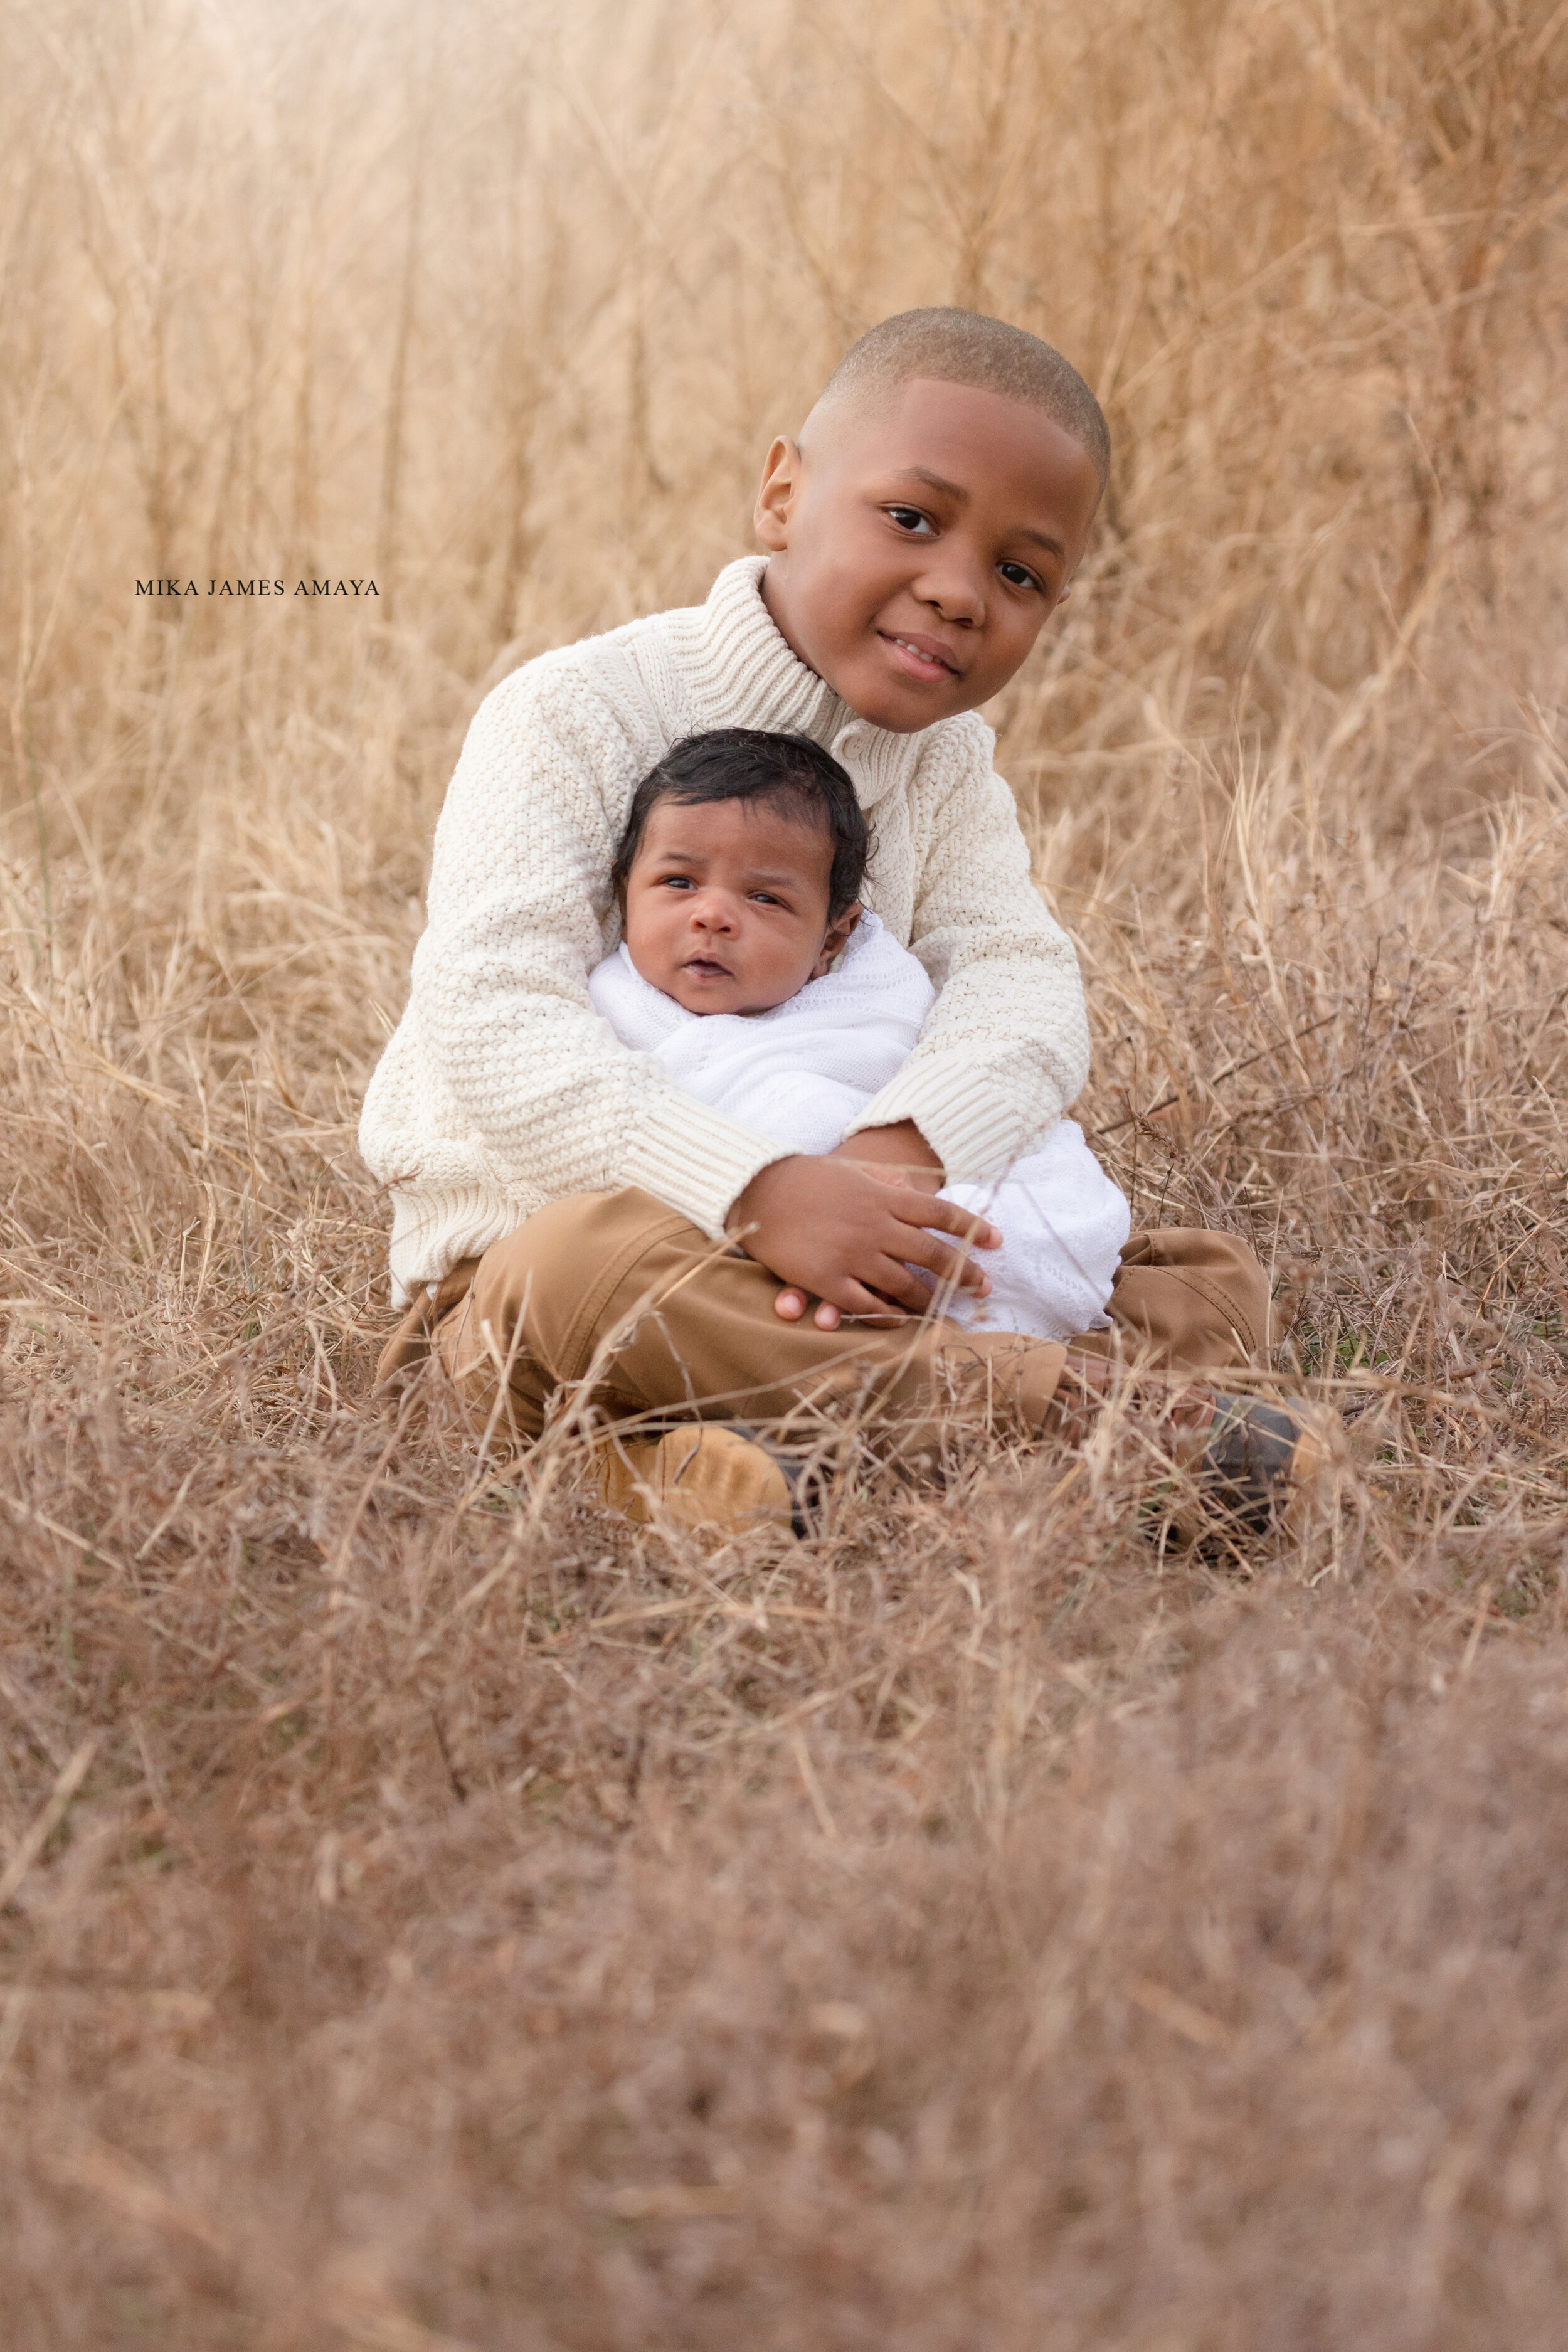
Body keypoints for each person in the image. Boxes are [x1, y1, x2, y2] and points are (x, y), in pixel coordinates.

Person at [363, 306, 1318, 1532]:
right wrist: (760, 1193)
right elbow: (493, 1021)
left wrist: (891, 1161)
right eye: (911, 519)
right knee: (571, 1272)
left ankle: (722, 1476)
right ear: (780, 493)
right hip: (583, 1281)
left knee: (1204, 1286)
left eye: (1019, 573)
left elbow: (1022, 990)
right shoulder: (572, 712)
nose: (958, 591)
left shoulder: (944, 765)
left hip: (845, 1265)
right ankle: (1082, 1424)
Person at [589, 727, 1132, 1345]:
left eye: (764, 897)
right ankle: (1001, 1381)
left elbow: (953, 1093)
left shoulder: (875, 1000)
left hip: (899, 1242)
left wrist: (863, 1205)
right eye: (678, 883)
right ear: (624, 890)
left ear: (831, 939)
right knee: (604, 1273)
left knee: (1202, 1273)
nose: (711, 915)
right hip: (734, 1250)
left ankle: (974, 1359)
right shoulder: (606, 1004)